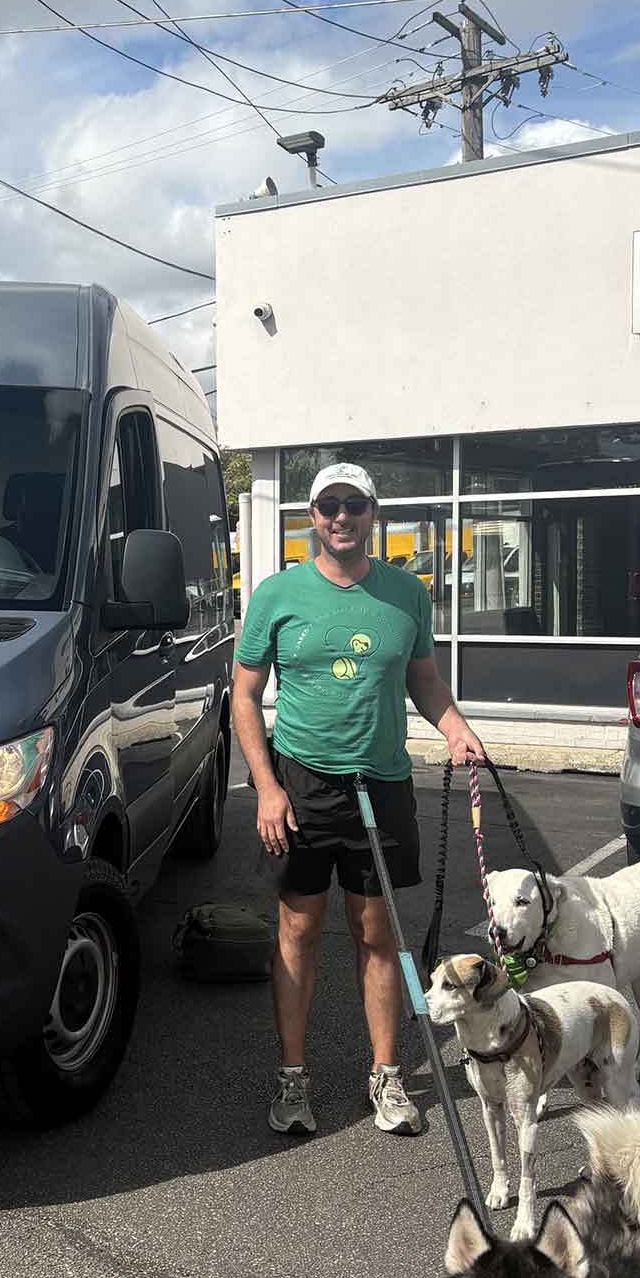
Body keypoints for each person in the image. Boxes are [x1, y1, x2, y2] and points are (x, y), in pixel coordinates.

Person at [232, 462, 485, 1138]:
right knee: (298, 931)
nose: (340, 517)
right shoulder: (278, 594)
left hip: (383, 783)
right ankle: (293, 1077)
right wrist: (266, 786)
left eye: (353, 505)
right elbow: (244, 696)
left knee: (378, 933)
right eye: (328, 506)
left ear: (374, 513)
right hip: (302, 785)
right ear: (312, 517)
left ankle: (386, 1075)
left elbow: (424, 680)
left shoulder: (406, 594)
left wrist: (454, 726)